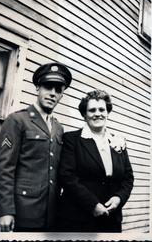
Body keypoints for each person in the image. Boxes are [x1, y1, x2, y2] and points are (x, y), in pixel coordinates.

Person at [0, 62, 72, 232]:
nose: (53, 93)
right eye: (48, 87)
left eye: (58, 90)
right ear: (38, 88)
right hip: (23, 213)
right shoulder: (17, 120)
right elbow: (4, 169)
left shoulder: (58, 128)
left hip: (50, 215)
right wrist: (5, 211)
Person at [56, 89, 134, 232]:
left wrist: (119, 198)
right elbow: (67, 177)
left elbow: (128, 177)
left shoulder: (117, 141)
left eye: (101, 109)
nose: (97, 113)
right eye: (92, 110)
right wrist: (93, 204)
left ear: (107, 113)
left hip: (111, 220)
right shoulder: (72, 139)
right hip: (78, 219)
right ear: (84, 115)